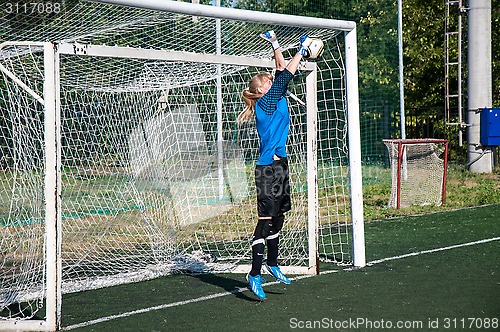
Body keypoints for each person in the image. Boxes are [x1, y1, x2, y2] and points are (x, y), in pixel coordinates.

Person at [238, 31, 313, 300]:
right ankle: (254, 274)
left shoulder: (276, 96)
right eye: (268, 82)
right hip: (267, 169)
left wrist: (275, 45)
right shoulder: (266, 103)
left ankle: (272, 263)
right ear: (260, 91)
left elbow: (281, 71)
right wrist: (301, 51)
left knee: (280, 217)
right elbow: (285, 75)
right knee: (266, 221)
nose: (273, 81)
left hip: (281, 167)